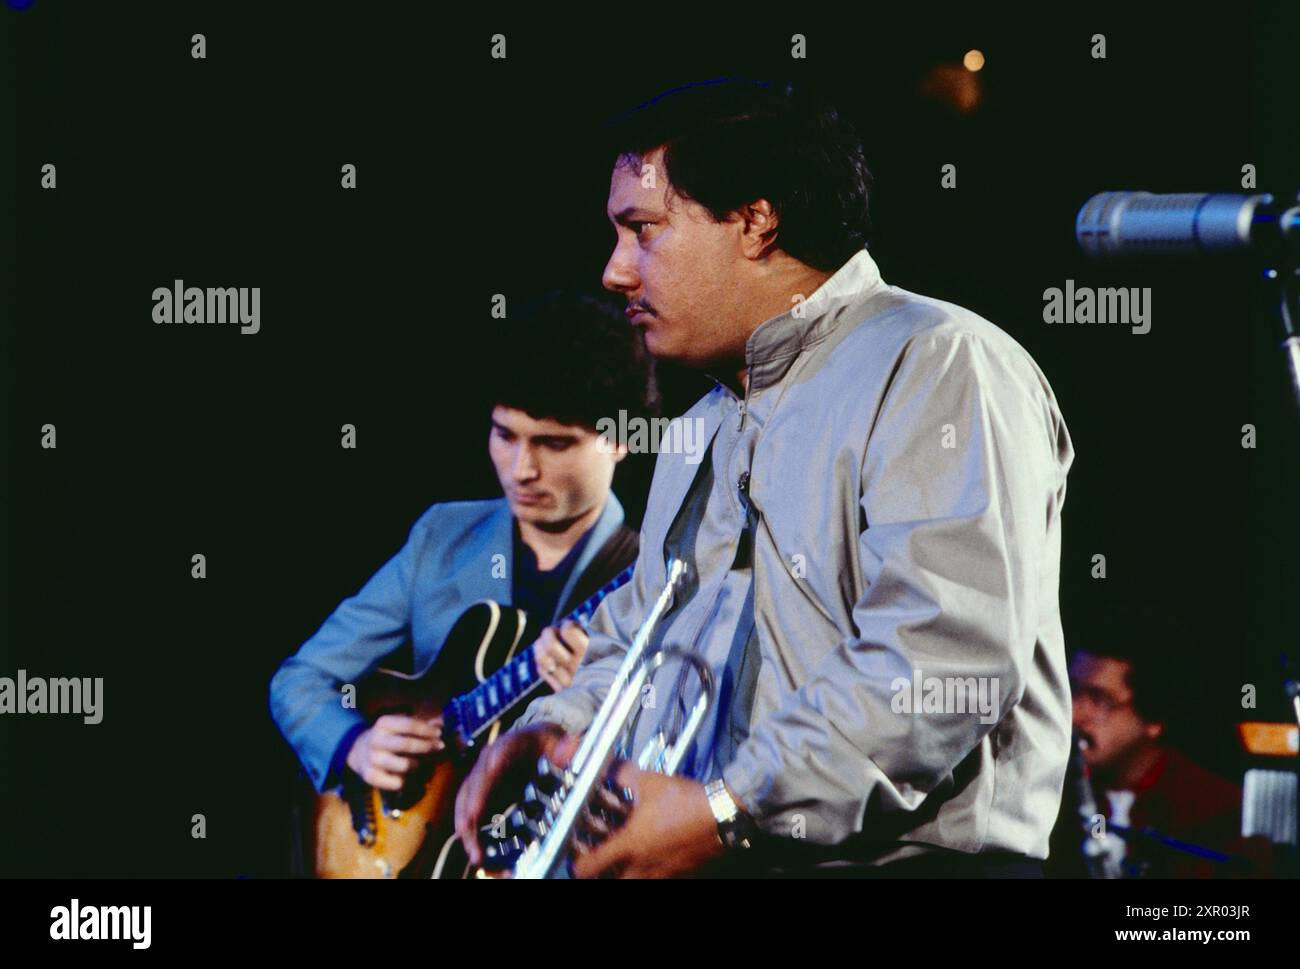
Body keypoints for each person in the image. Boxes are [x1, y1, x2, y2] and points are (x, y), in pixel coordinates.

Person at [455, 78, 1076, 878]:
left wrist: (729, 805)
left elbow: (940, 659)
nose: (614, 271)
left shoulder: (939, 361)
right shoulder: (699, 429)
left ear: (756, 220)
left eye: (641, 230)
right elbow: (643, 634)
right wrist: (553, 724)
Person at [270, 291, 658, 796]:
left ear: (620, 438)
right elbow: (300, 680)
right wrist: (354, 745)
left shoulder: (652, 576)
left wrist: (597, 696)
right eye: (505, 435)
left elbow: (674, 768)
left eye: (554, 443)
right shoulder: (443, 536)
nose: (522, 470)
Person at [1048, 602, 1251, 878]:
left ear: (1154, 717)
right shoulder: (1051, 798)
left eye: (1099, 699)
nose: (1074, 714)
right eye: (1072, 690)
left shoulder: (1218, 813)